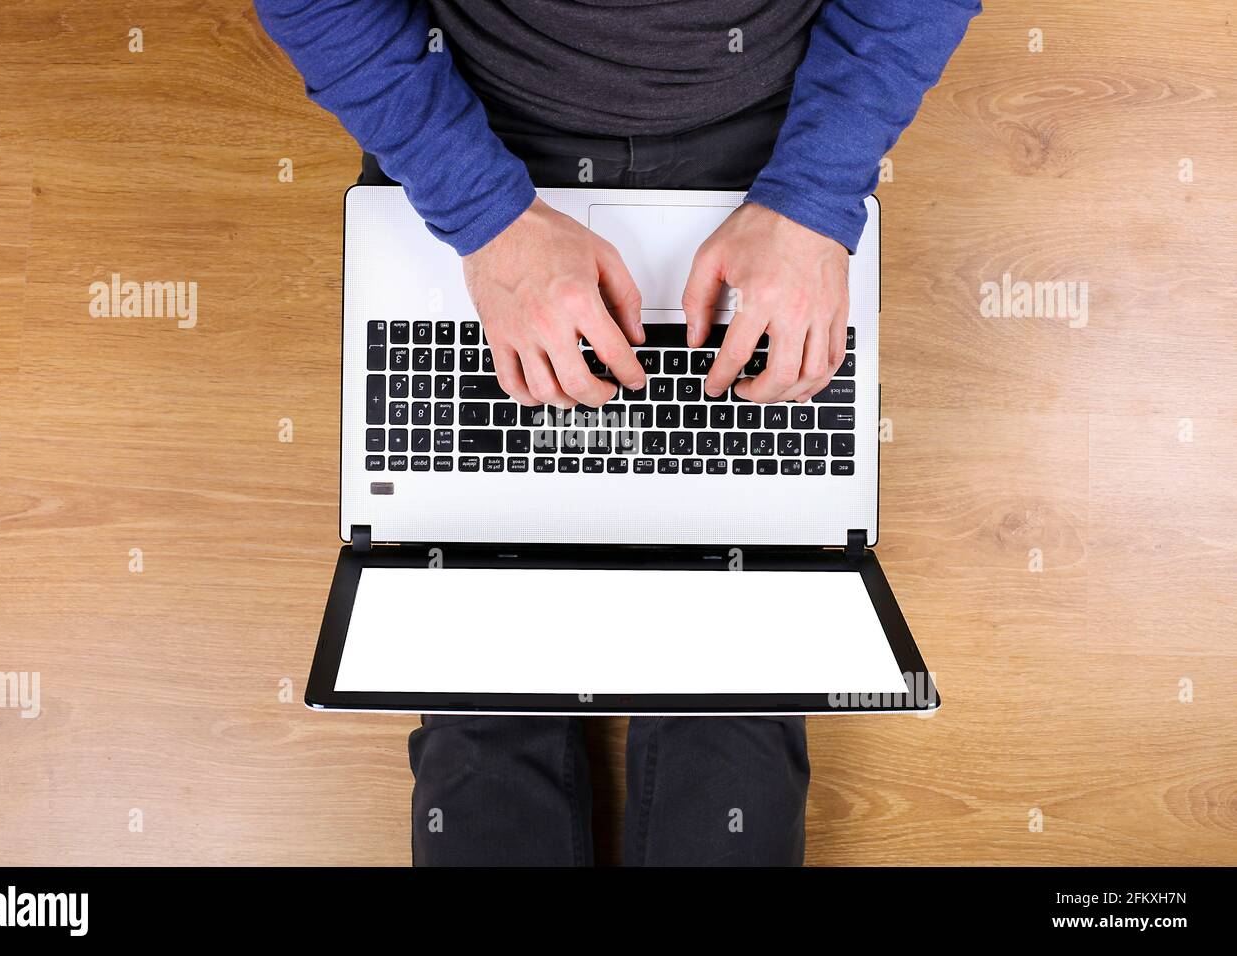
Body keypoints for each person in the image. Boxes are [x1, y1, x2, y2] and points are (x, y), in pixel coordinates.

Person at [256, 0, 978, 865]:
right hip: (474, 121)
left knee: (738, 692)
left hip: (766, 134)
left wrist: (815, 193)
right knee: (479, 675)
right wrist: (484, 216)